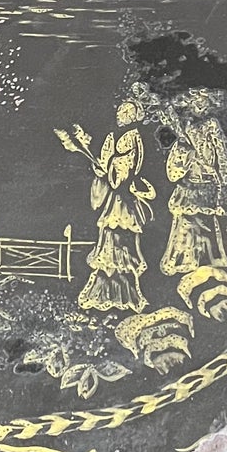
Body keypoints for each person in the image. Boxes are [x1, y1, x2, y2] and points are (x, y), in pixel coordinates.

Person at [77, 98, 155, 314]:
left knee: (122, 243)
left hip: (124, 201)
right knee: (109, 243)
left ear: (134, 116)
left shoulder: (132, 137)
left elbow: (124, 171)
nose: (122, 114)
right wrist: (100, 168)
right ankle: (105, 292)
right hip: (114, 199)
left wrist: (109, 167)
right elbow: (106, 165)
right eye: (121, 110)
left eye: (128, 112)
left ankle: (125, 294)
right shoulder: (113, 137)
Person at [158, 89, 227, 277]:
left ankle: (207, 258)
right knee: (185, 220)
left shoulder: (211, 124)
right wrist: (187, 153)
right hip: (190, 177)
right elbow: (181, 149)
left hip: (207, 178)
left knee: (206, 220)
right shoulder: (185, 125)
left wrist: (224, 170)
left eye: (204, 102)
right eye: (197, 101)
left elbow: (219, 148)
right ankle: (183, 259)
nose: (200, 105)